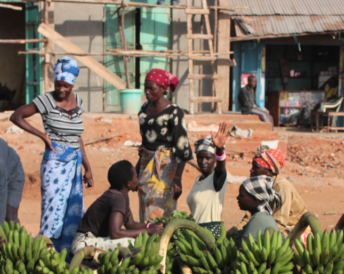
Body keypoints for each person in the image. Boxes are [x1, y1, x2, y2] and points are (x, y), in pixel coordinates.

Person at [10, 56, 93, 252]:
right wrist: (42, 135)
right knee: (52, 210)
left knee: (73, 212)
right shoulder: (45, 100)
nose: (61, 89)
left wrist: (87, 167)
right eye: (58, 84)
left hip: (75, 163)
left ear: (73, 84)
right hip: (55, 165)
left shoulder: (79, 101)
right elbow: (16, 116)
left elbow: (77, 136)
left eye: (66, 85)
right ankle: (47, 253)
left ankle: (69, 254)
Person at [136, 68, 193, 222]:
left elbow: (182, 146)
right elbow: (145, 143)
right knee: (145, 206)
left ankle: (162, 244)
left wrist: (178, 179)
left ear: (163, 89)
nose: (147, 92)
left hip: (166, 167)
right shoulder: (144, 110)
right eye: (145, 88)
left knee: (161, 209)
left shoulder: (174, 112)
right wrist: (137, 170)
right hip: (146, 166)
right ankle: (148, 243)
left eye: (151, 88)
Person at [71, 160, 164, 253]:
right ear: (128, 183)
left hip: (95, 239)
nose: (138, 179)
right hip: (84, 243)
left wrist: (151, 226)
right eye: (136, 176)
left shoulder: (121, 194)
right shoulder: (118, 198)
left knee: (142, 238)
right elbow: (115, 233)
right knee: (136, 243)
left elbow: (131, 224)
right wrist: (147, 231)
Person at [238, 147, 307, 235]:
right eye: (252, 166)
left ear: (269, 171)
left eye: (256, 167)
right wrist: (238, 228)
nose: (251, 170)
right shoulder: (258, 186)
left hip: (293, 229)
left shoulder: (282, 187)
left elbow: (279, 224)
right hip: (268, 225)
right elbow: (249, 216)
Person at [185, 122, 229, 238]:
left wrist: (219, 149)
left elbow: (221, 168)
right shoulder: (199, 179)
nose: (203, 162)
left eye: (208, 158)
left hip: (210, 235)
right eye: (200, 157)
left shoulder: (217, 178)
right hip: (195, 234)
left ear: (215, 158)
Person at [236, 174, 281, 244]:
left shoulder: (257, 219)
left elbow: (241, 249)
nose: (237, 198)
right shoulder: (263, 215)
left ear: (254, 200)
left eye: (241, 195)